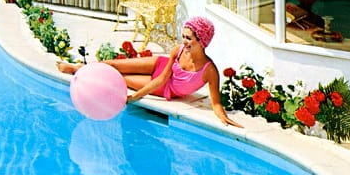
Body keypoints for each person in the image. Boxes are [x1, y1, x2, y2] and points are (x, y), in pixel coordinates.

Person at [58, 16, 243, 127]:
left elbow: (215, 103)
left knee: (119, 78)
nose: (184, 41)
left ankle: (82, 73)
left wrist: (224, 117)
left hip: (165, 88)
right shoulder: (178, 50)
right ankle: (77, 68)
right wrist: (138, 96)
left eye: (189, 38)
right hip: (159, 66)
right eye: (183, 36)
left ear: (202, 40)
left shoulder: (209, 70)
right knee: (112, 64)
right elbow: (162, 75)